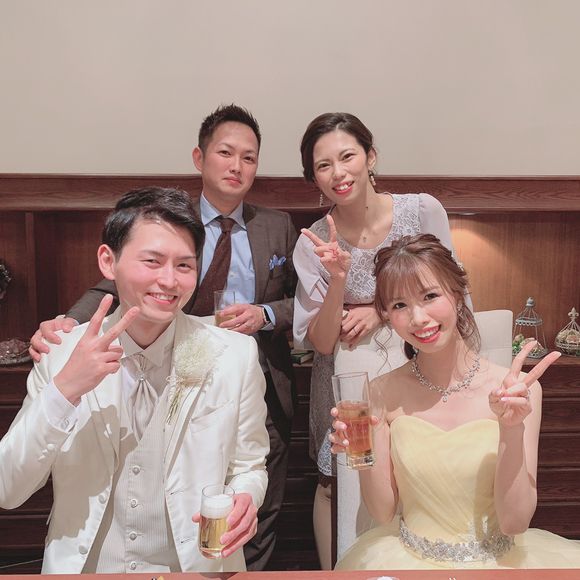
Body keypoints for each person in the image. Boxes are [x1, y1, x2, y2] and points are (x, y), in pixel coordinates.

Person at [28, 105, 297, 571]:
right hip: (170, 361)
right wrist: (66, 326)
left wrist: (266, 313)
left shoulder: (276, 225)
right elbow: (115, 284)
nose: (237, 166)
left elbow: (300, 300)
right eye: (225, 153)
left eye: (249, 157)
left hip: (252, 373)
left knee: (253, 494)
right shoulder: (170, 220)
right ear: (199, 158)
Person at [0, 187, 270, 573]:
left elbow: (249, 464)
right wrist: (65, 390)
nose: (169, 280)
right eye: (152, 261)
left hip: (198, 566)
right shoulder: (61, 353)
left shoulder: (234, 355)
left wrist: (246, 497)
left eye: (184, 265)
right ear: (108, 261)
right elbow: (8, 488)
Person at [331, 233, 580, 569]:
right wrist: (360, 453)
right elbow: (382, 511)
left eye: (430, 296)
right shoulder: (379, 392)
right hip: (409, 563)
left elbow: (515, 522)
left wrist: (511, 428)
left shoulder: (519, 390)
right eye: (400, 305)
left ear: (458, 296)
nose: (418, 318)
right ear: (387, 315)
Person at [292, 112, 463, 568]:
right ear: (314, 177)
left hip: (416, 365)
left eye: (347, 156)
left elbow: (452, 291)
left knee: (413, 472)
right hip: (346, 378)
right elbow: (321, 342)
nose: (338, 173)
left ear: (370, 157)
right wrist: (337, 278)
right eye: (323, 165)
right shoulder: (312, 242)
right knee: (337, 484)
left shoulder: (421, 211)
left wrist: (381, 309)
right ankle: (342, 571)